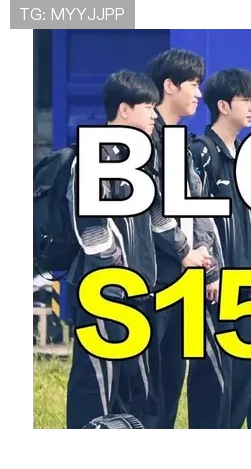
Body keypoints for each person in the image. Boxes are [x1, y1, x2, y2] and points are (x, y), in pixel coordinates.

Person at [65, 70, 204, 429]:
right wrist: (118, 273)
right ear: (124, 110)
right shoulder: (94, 157)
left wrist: (183, 250)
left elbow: (157, 216)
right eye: (147, 107)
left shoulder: (139, 159)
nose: (154, 114)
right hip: (105, 295)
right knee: (97, 388)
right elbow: (90, 228)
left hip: (140, 295)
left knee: (137, 390)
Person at [187, 68, 251, 429]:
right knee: (214, 382)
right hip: (214, 288)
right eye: (246, 100)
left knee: (243, 379)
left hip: (246, 284)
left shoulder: (248, 155)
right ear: (223, 105)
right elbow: (196, 219)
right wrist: (210, 272)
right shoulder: (200, 154)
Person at [145, 48, 224, 429]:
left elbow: (199, 205)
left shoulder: (180, 141)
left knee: (173, 376)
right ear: (169, 86)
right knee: (151, 381)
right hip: (158, 275)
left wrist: (207, 263)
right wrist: (183, 250)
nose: (198, 93)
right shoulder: (148, 138)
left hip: (187, 275)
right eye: (193, 84)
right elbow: (150, 206)